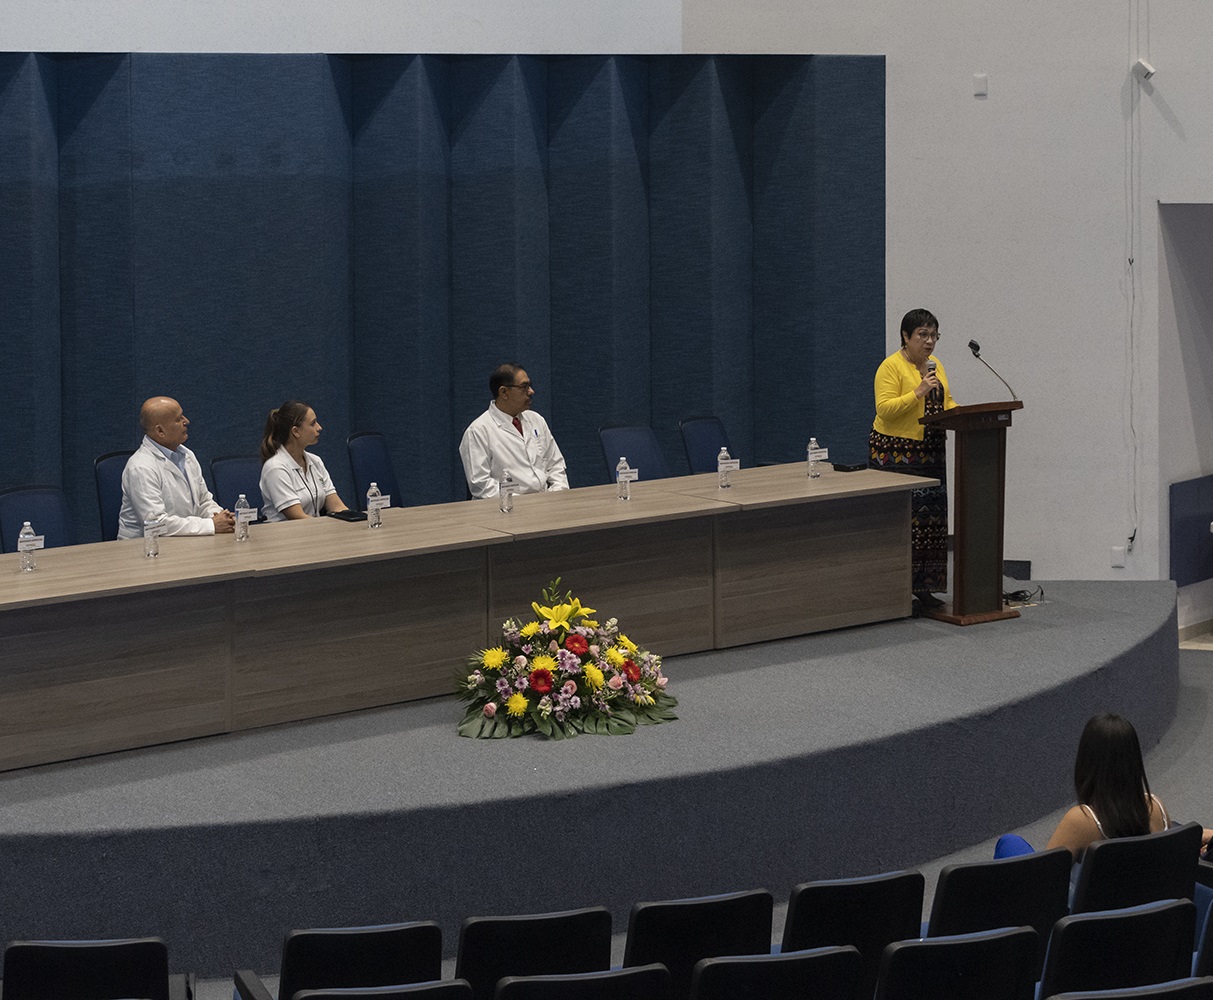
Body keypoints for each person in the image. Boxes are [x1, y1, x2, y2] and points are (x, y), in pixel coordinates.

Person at [996, 713, 1213, 860]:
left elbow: (1046, 877)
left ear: (1086, 763)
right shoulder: (1156, 807)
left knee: (1010, 843)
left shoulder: (1082, 820)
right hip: (1151, 909)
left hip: (1093, 914)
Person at [869, 308, 957, 607]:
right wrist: (918, 391)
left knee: (930, 524)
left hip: (931, 452)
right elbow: (884, 409)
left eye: (934, 335)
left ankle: (924, 588)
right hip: (896, 453)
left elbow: (947, 401)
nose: (929, 341)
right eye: (923, 334)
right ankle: (893, 589)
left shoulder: (936, 365)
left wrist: (963, 414)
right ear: (905, 337)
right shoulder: (890, 366)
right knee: (904, 522)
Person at [117, 396, 235, 538]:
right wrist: (211, 525)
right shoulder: (140, 467)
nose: (186, 421)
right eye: (179, 419)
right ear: (160, 431)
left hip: (184, 541)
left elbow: (203, 501)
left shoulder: (187, 455)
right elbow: (156, 524)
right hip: (143, 547)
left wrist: (222, 517)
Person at [459, 363, 569, 499]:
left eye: (530, 385)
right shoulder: (478, 431)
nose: (531, 391)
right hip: (504, 507)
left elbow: (556, 465)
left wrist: (557, 494)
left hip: (546, 503)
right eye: (524, 387)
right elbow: (481, 486)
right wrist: (522, 503)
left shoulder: (536, 420)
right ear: (504, 392)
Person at [259, 400, 350, 521]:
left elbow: (337, 506)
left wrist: (355, 521)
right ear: (296, 432)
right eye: (313, 423)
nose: (319, 428)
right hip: (289, 532)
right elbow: (298, 517)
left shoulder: (316, 461)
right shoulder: (275, 468)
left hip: (314, 528)